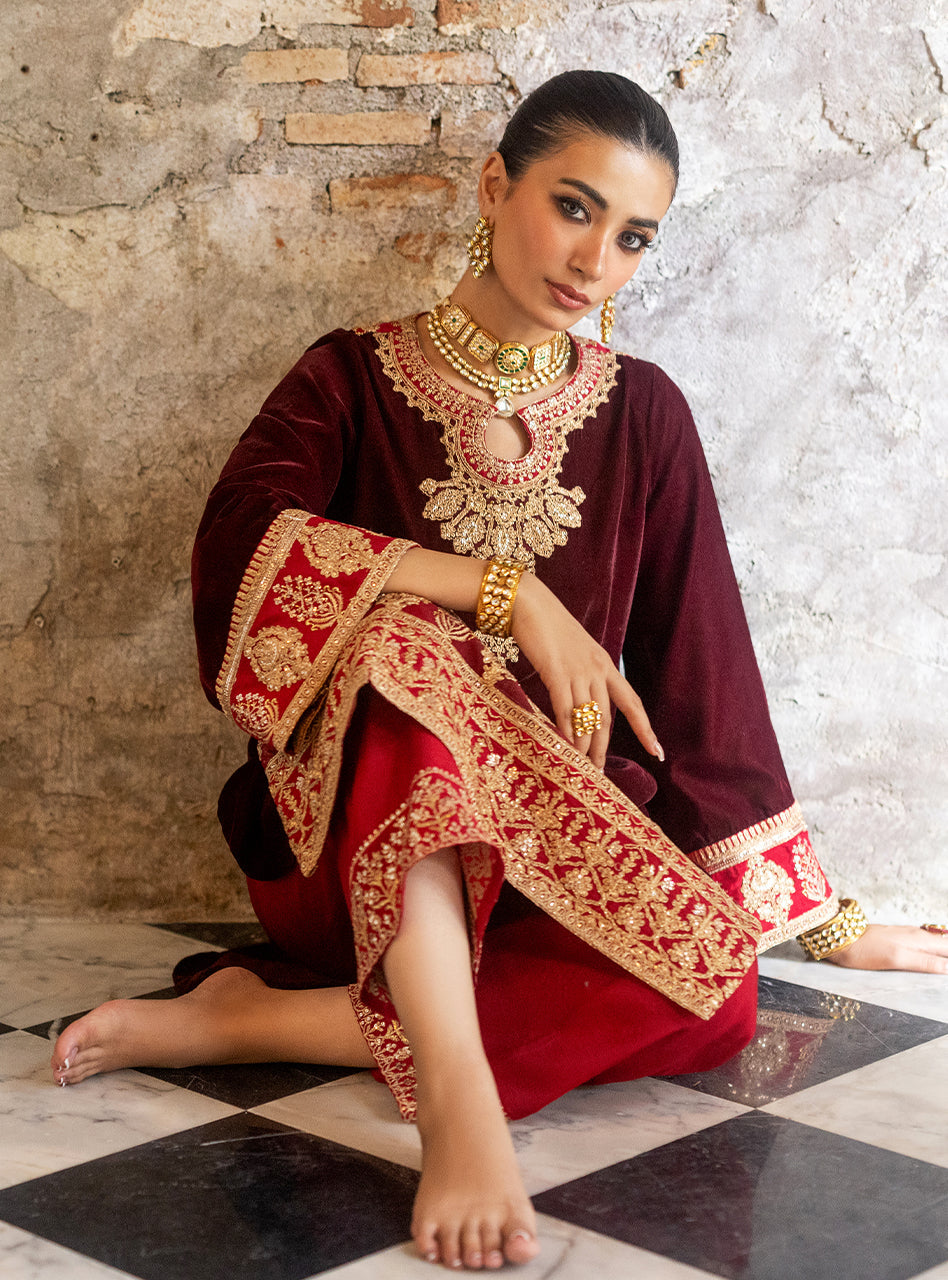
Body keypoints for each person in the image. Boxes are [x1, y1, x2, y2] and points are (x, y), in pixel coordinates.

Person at [52, 71, 948, 1272]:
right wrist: (500, 589)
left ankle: (258, 1017)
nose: (594, 260)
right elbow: (239, 545)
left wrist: (821, 918)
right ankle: (460, 1095)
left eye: (631, 236)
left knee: (716, 984)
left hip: (537, 855)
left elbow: (704, 675)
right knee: (405, 648)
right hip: (345, 855)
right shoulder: (352, 375)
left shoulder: (645, 413)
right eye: (573, 207)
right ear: (493, 186)